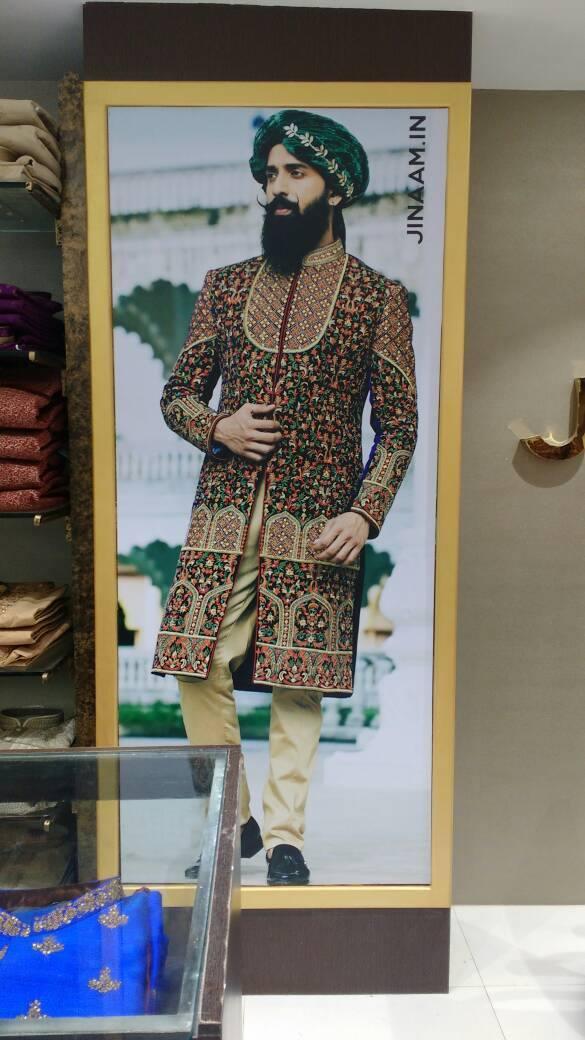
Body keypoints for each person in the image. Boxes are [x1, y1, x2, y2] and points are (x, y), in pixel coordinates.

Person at [151, 109, 418, 885]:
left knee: (300, 678)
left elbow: (398, 427)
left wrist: (363, 512)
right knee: (195, 661)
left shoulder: (375, 297)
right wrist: (218, 425)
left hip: (319, 516)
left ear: (333, 189)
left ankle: (287, 837)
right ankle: (233, 821)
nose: (277, 187)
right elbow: (176, 395)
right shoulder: (226, 287)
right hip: (225, 511)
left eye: (294, 173)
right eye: (269, 173)